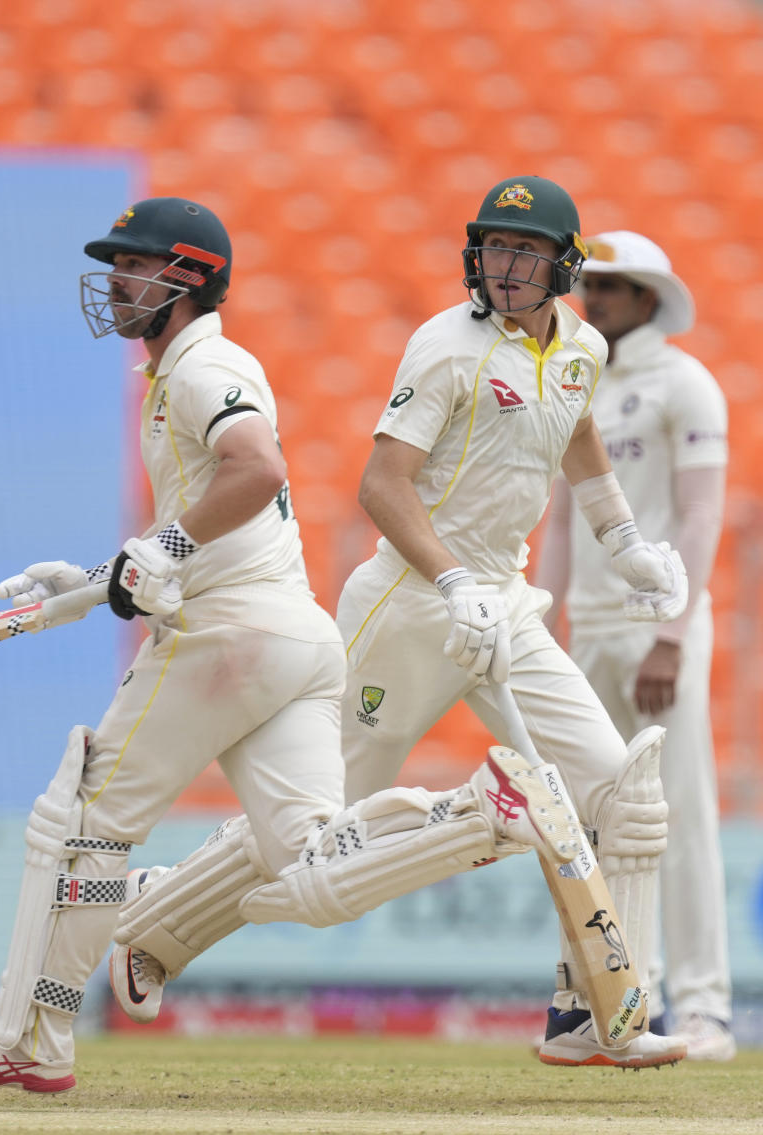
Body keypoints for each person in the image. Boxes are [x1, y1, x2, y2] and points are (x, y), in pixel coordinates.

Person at [0, 196, 565, 1093]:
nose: (115, 280)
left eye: (134, 264)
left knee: (86, 825)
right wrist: (88, 575)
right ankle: (472, 817)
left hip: (224, 637)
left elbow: (258, 467)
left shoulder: (204, 363)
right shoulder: (186, 371)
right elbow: (210, 518)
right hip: (298, 639)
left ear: (187, 279)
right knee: (306, 860)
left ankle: (32, 1039)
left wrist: (163, 552)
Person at [109, 177, 691, 1070]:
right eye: (496, 247)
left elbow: (579, 444)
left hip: (507, 602)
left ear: (563, 262)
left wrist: (627, 544)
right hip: (409, 604)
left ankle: (588, 1014)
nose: (505, 266)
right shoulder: (446, 346)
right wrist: (453, 580)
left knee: (615, 789)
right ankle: (154, 925)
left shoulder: (579, 347)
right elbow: (381, 485)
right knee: (317, 835)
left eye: (525, 251)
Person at [533, 231, 734, 1061]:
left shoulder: (684, 384)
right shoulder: (572, 377)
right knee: (591, 820)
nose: (595, 296)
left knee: (677, 814)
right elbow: (560, 523)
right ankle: (612, 1005)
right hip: (587, 628)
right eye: (591, 282)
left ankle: (707, 1007)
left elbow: (698, 517)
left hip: (657, 633)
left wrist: (672, 636)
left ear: (649, 298)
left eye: (612, 285)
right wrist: (541, 624)